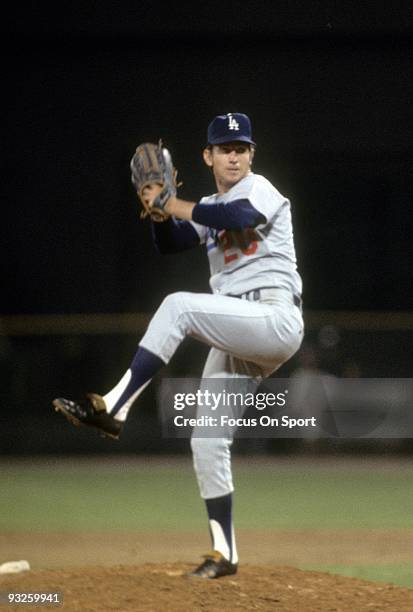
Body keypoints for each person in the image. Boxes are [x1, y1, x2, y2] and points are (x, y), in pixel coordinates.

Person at [53, 112, 304, 579]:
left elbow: (239, 217)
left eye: (242, 148)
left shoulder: (258, 189)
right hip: (238, 330)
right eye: (225, 149)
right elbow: (170, 243)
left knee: (179, 306)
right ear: (207, 156)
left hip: (273, 316)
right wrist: (156, 210)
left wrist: (174, 202)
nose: (235, 155)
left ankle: (114, 406)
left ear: (251, 155)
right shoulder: (206, 203)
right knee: (207, 441)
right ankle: (224, 552)